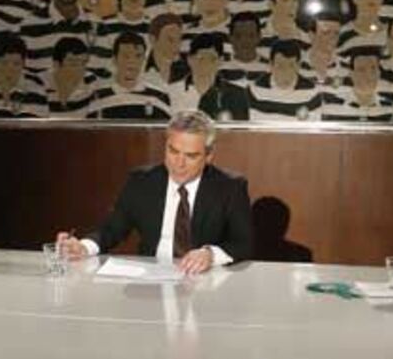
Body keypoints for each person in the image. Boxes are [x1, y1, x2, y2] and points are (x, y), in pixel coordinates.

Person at [55, 110, 253, 275]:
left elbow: (244, 243)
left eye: (191, 156)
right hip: (151, 282)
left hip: (204, 282)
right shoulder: (142, 181)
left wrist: (210, 254)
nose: (179, 163)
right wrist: (84, 246)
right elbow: (112, 228)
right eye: (173, 151)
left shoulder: (230, 187)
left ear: (209, 156)